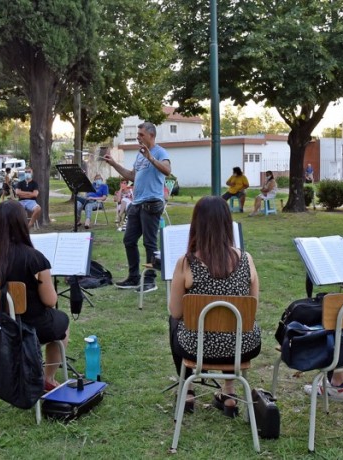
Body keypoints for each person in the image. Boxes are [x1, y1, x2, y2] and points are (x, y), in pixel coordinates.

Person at [168, 197, 261, 416]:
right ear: (227, 223)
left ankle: (188, 390)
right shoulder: (247, 259)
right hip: (243, 347)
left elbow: (176, 311)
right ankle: (229, 394)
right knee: (233, 323)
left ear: (196, 224)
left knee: (173, 321)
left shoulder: (186, 262)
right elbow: (252, 308)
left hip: (198, 348)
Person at [0, 201, 70, 391]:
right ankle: (47, 377)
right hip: (30, 327)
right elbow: (50, 301)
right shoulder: (34, 258)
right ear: (23, 223)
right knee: (62, 322)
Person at [102, 121, 172, 293]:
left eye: (141, 135)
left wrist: (151, 158)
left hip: (152, 203)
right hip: (137, 203)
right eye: (137, 135)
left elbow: (167, 170)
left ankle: (149, 280)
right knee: (129, 240)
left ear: (151, 135)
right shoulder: (140, 155)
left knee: (149, 243)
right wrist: (114, 164)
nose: (138, 138)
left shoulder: (160, 152)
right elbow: (131, 175)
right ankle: (134, 278)